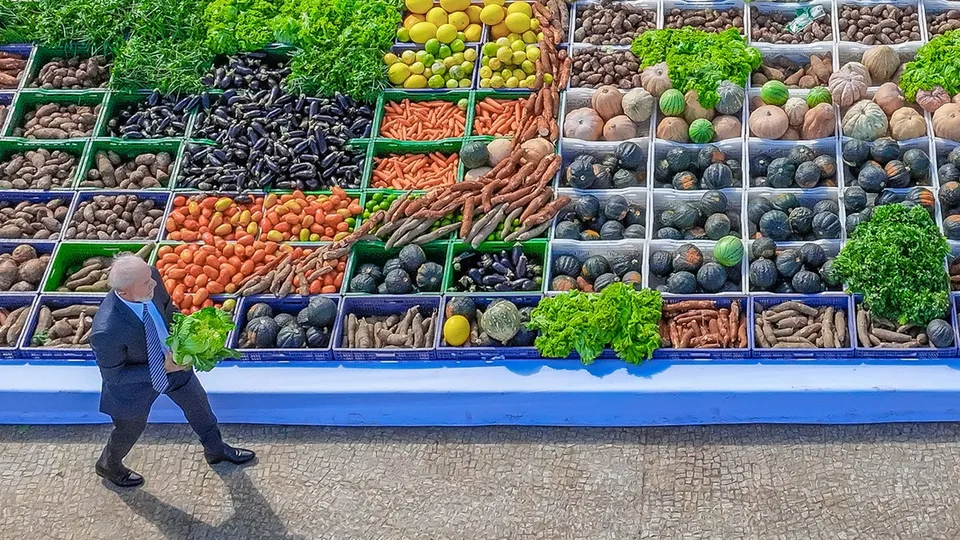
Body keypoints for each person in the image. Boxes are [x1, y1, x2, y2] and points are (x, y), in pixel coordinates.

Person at [90, 254, 254, 488]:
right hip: (134, 387)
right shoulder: (106, 330)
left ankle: (216, 450)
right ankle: (109, 465)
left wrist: (188, 334)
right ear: (125, 292)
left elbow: (169, 311)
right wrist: (160, 368)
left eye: (150, 277)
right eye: (146, 283)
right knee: (128, 431)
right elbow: (114, 377)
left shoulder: (150, 279)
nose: (154, 283)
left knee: (199, 406)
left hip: (175, 364)